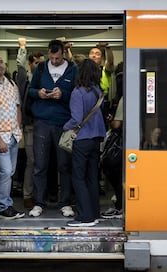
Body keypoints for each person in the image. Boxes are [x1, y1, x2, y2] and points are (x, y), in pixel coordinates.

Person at [28, 39, 78, 218]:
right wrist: (39, 93)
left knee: (65, 165)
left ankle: (65, 203)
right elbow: (30, 91)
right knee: (40, 165)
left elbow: (77, 93)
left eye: (58, 58)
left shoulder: (73, 69)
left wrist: (63, 95)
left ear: (64, 53)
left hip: (64, 124)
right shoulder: (40, 68)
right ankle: (38, 203)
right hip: (42, 122)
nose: (55, 61)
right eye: (52, 57)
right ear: (49, 53)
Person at [63, 58, 106, 227]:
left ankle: (85, 216)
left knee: (78, 177)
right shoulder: (98, 91)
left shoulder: (78, 92)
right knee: (92, 177)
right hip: (96, 138)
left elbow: (76, 119)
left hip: (82, 139)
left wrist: (64, 127)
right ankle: (94, 213)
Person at [0, 53, 25, 220]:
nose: (0, 65)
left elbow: (17, 107)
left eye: (1, 62)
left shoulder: (11, 83)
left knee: (10, 172)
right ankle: (1, 207)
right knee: (5, 171)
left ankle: (6, 204)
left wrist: (19, 129)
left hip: (13, 135)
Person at [16, 38, 45, 209]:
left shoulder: (46, 79)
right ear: (30, 64)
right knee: (32, 161)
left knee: (45, 162)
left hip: (45, 124)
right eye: (36, 63)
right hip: (30, 125)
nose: (40, 66)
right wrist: (22, 47)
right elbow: (20, 67)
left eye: (42, 63)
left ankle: (42, 194)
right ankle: (28, 194)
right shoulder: (25, 80)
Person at [101, 96, 124, 219]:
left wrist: (109, 120)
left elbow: (117, 123)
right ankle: (121, 205)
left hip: (120, 143)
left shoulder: (123, 99)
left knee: (114, 171)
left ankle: (120, 206)